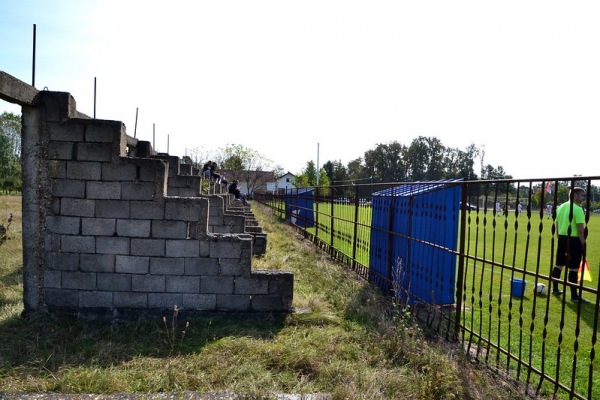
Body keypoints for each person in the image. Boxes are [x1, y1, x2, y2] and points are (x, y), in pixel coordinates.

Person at [550, 187, 588, 303]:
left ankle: (555, 289)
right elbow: (581, 230)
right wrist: (584, 244)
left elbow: (556, 226)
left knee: (559, 265)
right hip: (574, 240)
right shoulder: (577, 209)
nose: (582, 198)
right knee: (573, 268)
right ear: (575, 195)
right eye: (581, 195)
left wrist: (561, 239)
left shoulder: (560, 207)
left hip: (562, 238)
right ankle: (574, 297)